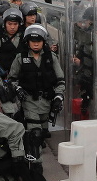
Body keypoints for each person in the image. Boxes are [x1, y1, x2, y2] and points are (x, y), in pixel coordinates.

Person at [8, 24, 65, 153]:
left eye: (38, 41)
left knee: (43, 132)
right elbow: (11, 79)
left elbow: (60, 80)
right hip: (29, 100)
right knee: (35, 134)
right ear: (27, 42)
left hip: (46, 101)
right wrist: (18, 89)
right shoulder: (20, 58)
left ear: (43, 42)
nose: (35, 44)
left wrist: (59, 96)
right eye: (32, 41)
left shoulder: (51, 58)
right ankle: (34, 162)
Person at [0, 7, 26, 75]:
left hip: (20, 77)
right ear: (4, 24)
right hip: (0, 77)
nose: (12, 27)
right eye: (9, 24)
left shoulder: (24, 37)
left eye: (15, 24)